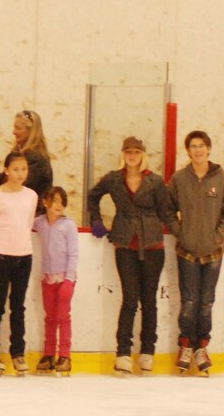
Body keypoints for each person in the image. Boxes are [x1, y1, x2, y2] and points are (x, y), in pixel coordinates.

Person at [86, 136, 179, 375]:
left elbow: (167, 212)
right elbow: (93, 195)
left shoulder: (155, 182)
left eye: (136, 151)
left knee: (149, 300)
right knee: (129, 299)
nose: (132, 155)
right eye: (128, 151)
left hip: (152, 246)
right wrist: (96, 219)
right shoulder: (114, 179)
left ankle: (148, 351)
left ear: (143, 154)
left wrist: (182, 234)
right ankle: (124, 352)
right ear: (123, 153)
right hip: (125, 244)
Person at [169, 130, 224, 375]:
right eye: (193, 146)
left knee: (206, 302)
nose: (197, 150)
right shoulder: (179, 179)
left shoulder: (222, 179)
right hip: (186, 251)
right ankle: (186, 345)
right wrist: (181, 232)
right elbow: (168, 210)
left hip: (213, 252)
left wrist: (217, 236)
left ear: (209, 149)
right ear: (187, 150)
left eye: (201, 146)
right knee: (189, 302)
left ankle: (202, 347)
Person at [0, 152, 38, 376]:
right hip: (1, 254)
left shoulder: (31, 195)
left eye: (23, 169)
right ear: (6, 170)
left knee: (18, 306)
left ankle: (18, 352)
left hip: (24, 255)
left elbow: (27, 223)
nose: (20, 173)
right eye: (15, 169)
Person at [32, 187, 78, 376]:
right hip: (48, 278)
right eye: (54, 201)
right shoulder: (40, 223)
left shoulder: (69, 225)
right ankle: (49, 354)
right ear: (45, 203)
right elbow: (24, 222)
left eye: (61, 201)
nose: (59, 205)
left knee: (62, 317)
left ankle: (65, 355)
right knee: (50, 318)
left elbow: (74, 253)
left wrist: (69, 279)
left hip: (65, 278)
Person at [0, 110, 53, 214]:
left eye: (18, 128)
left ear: (30, 131)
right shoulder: (28, 154)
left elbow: (17, 184)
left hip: (32, 216)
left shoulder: (35, 158)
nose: (13, 132)